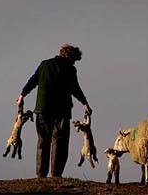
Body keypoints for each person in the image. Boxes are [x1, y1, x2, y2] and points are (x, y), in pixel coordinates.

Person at [16, 44, 92, 178]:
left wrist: (22, 96)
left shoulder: (44, 65)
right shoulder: (70, 69)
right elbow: (75, 89)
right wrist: (85, 103)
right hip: (61, 112)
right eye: (74, 59)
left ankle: (41, 175)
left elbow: (32, 81)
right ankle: (56, 175)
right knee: (60, 143)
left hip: (42, 110)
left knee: (43, 142)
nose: (75, 62)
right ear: (68, 56)